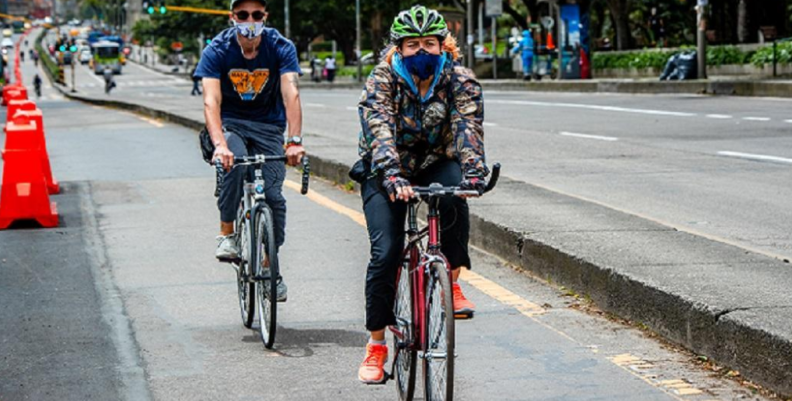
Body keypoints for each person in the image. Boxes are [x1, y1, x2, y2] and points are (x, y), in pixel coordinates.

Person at [353, 5, 488, 384]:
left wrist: (475, 173)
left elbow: (467, 126)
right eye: (412, 45)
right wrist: (393, 175)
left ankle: (452, 280)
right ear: (398, 49)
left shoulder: (459, 78)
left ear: (443, 45)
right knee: (386, 251)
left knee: (453, 194)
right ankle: (377, 344)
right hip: (386, 167)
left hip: (434, 161)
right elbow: (378, 128)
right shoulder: (382, 79)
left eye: (430, 43)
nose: (422, 51)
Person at [194, 0, 305, 301]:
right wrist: (219, 145)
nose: (250, 20)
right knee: (234, 159)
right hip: (232, 124)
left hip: (269, 127)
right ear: (233, 17)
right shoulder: (217, 50)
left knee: (274, 197)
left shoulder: (280, 47)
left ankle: (271, 266)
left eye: (257, 14)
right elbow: (210, 102)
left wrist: (294, 140)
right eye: (243, 15)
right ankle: (227, 232)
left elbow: (290, 91)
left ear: (265, 16)